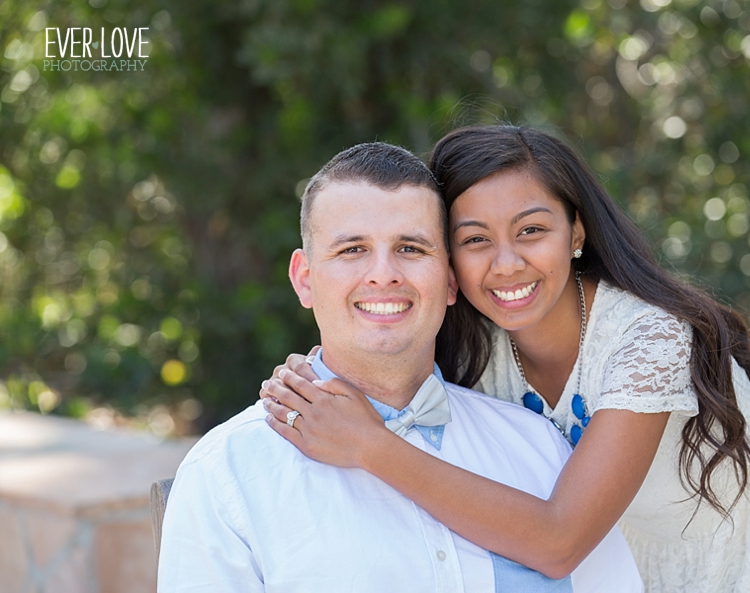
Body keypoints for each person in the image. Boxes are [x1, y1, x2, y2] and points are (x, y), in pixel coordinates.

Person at [262, 126, 750, 592]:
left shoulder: (648, 339)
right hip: (649, 563)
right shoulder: (478, 346)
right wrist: (314, 384)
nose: (506, 264)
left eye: (532, 230)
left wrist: (369, 444)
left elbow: (559, 541)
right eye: (474, 240)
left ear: (576, 233)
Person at [158, 141, 643, 592]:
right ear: (305, 280)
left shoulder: (536, 447)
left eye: (411, 249)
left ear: (450, 280)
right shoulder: (228, 473)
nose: (384, 273)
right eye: (353, 250)